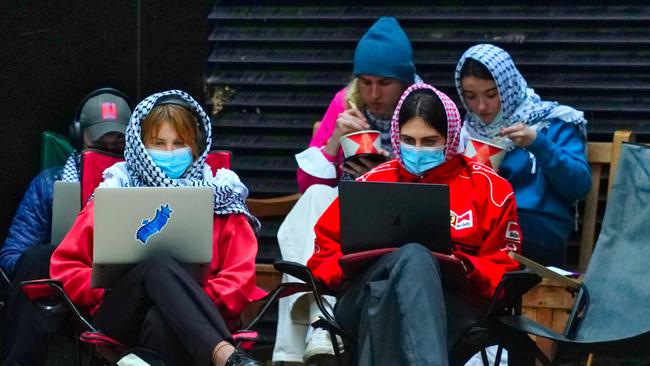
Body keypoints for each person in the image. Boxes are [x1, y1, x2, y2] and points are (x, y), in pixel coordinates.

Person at [306, 83, 523, 366]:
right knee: (410, 259)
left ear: (451, 138)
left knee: (388, 294)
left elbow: (504, 270)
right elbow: (323, 255)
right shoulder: (372, 183)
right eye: (408, 140)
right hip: (358, 301)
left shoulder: (490, 188)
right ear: (396, 136)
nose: (417, 150)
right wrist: (362, 266)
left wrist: (464, 267)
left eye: (429, 141)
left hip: (454, 307)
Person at [49, 90, 264, 366]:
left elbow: (240, 279)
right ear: (141, 144)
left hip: (198, 319)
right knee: (157, 265)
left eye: (179, 143)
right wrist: (105, 290)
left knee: (162, 318)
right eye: (159, 143)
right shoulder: (116, 191)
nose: (170, 152)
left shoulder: (221, 198)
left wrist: (178, 301)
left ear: (196, 146)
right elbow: (65, 266)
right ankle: (225, 355)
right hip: (122, 312)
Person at [272, 16, 417, 365]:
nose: (373, 94)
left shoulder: (421, 109)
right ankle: (309, 338)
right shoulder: (345, 102)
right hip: (340, 222)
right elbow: (306, 187)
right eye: (365, 82)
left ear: (403, 81)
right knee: (314, 201)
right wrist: (334, 140)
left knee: (320, 209)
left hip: (396, 222)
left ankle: (307, 338)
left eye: (384, 83)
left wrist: (385, 172)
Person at [0, 88, 132, 366]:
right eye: (100, 140)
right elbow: (13, 256)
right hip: (62, 291)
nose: (109, 147)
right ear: (77, 135)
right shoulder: (49, 184)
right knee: (37, 256)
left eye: (118, 141)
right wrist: (64, 262)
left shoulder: (144, 185)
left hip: (120, 290)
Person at [455, 43, 591, 266]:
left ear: (508, 87)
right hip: (483, 227)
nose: (481, 107)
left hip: (539, 231)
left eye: (491, 94)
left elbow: (579, 186)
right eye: (470, 96)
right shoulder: (467, 132)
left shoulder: (553, 122)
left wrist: (539, 144)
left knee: (483, 231)